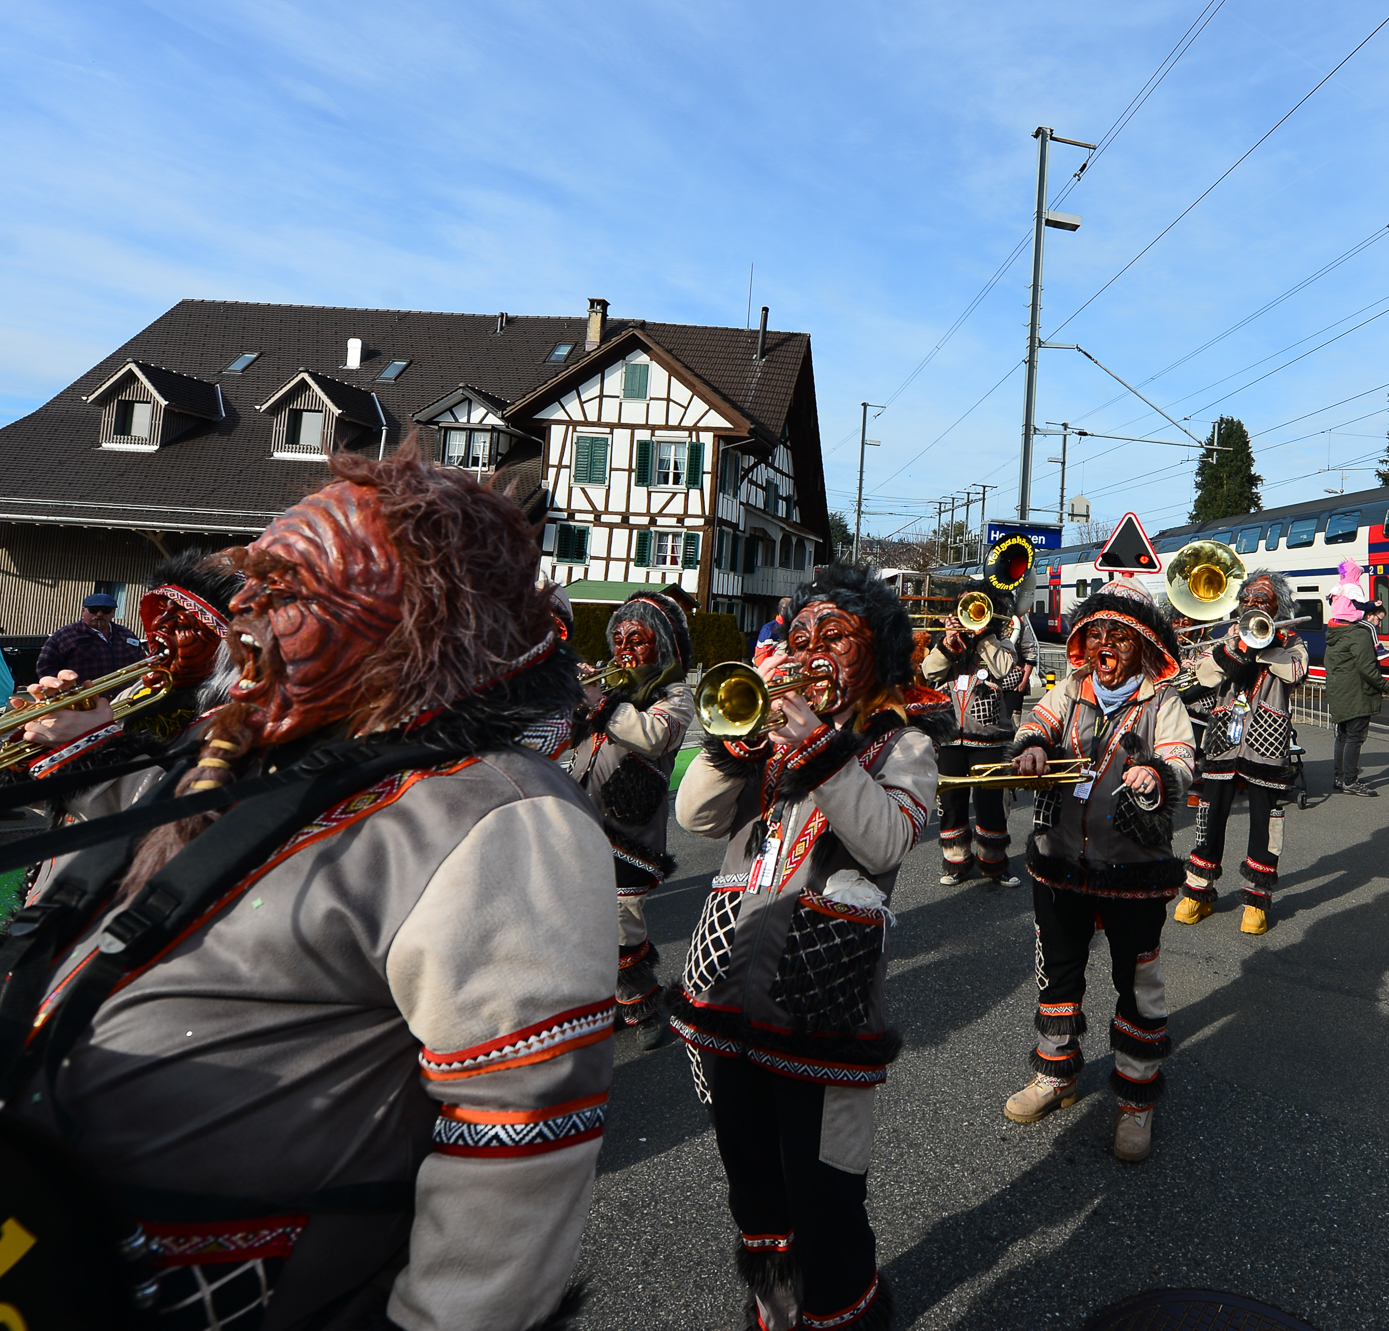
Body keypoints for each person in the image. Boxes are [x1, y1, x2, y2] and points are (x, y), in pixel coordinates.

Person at [0, 447, 611, 1329]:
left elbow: (517, 1137)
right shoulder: (244, 747)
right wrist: (92, 753)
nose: (241, 605)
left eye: (286, 587)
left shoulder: (501, 815)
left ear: (414, 625)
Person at [669, 563, 941, 1331]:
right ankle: (774, 1312)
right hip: (726, 993)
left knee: (825, 1197)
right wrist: (737, 738)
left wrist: (820, 746)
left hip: (824, 1008)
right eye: (800, 637)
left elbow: (885, 836)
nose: (812, 652)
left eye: (835, 637)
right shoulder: (772, 735)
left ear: (877, 652)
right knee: (754, 1193)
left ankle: (839, 1315)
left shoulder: (904, 743)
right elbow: (693, 817)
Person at [1006, 578, 1193, 1162]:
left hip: (1134, 869)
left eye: (1119, 636)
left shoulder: (1163, 702)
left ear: (1140, 647)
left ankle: (1136, 1100)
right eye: (1096, 634)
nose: (1105, 645)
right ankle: (1055, 1075)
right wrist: (1031, 746)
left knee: (1138, 986)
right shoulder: (1068, 691)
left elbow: (1182, 758)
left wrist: (1158, 775)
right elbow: (1031, 725)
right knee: (1056, 974)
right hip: (1060, 862)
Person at [6, 550, 243, 836]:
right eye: (161, 612)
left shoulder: (241, 726)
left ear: (228, 650)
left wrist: (92, 745)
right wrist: (45, 738)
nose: (158, 626)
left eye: (183, 623)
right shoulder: (140, 690)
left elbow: (191, 825)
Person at [570, 590, 696, 1049]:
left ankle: (643, 1004)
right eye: (618, 639)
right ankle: (611, 1001)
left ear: (661, 645)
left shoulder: (674, 693)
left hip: (631, 827)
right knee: (582, 914)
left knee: (622, 918)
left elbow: (654, 736)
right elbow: (568, 740)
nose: (624, 649)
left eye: (637, 641)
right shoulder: (613, 689)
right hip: (583, 815)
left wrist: (600, 702)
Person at [1174, 570, 1309, 936]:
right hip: (1223, 740)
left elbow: (1296, 671)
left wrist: (1262, 648)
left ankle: (1256, 899)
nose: (1252, 607)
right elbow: (1205, 675)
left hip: (1266, 742)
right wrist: (1235, 646)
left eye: (1261, 602)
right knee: (1208, 816)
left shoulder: (1291, 641)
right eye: (1247, 601)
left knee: (1266, 824)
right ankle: (1198, 891)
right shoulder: (1226, 639)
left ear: (1277, 607)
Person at [922, 577, 1036, 886]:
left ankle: (994, 863)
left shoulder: (1002, 643)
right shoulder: (947, 642)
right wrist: (947, 643)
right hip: (949, 736)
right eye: (964, 607)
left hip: (990, 737)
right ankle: (956, 862)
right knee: (951, 803)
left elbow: (1005, 671)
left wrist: (984, 635)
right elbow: (928, 671)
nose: (968, 614)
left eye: (974, 607)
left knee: (991, 805)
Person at [1323, 598, 1389, 798]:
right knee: (1355, 737)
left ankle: (1341, 777)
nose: (1379, 625)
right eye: (1379, 620)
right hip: (1356, 693)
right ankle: (1350, 780)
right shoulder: (1360, 635)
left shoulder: (1338, 633)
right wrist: (1388, 687)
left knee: (1343, 736)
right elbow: (1368, 669)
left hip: (1340, 692)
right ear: (1367, 615)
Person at [33, 592, 146, 680]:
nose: (99, 614)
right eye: (94, 610)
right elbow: (45, 667)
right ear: (83, 611)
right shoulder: (64, 635)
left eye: (106, 610)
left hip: (126, 699)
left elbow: (141, 664)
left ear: (113, 612)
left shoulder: (126, 634)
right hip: (84, 703)